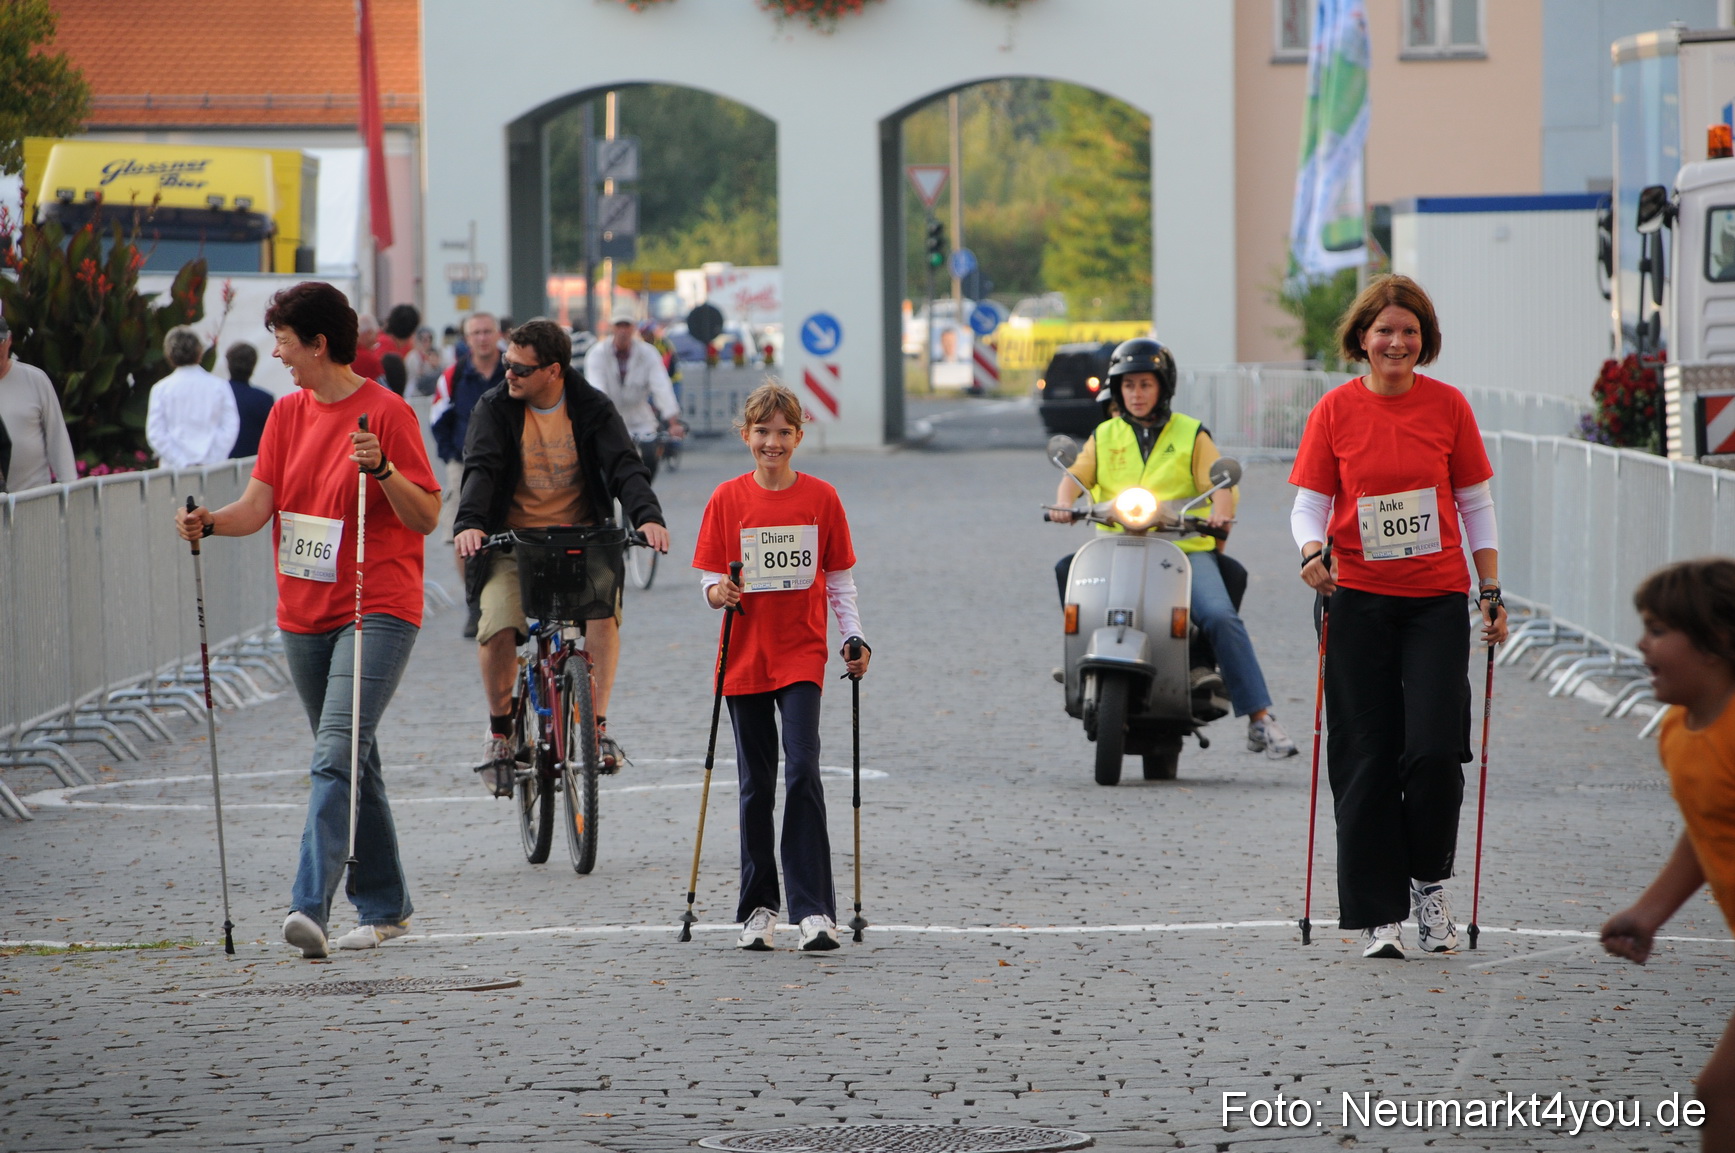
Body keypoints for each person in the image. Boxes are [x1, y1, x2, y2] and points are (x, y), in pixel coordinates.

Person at [174, 281, 440, 959]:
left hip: (373, 604)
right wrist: (210, 522)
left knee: (333, 753)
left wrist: (381, 470)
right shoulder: (287, 415)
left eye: (286, 342)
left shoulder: (385, 413)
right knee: (356, 755)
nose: (278, 353)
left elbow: (426, 515)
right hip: (303, 612)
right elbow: (258, 504)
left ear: (319, 343)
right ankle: (387, 904)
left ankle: (309, 903)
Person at [1290, 274, 1508, 961]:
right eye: (1383, 329)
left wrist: (1490, 588)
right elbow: (1307, 502)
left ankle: (1428, 887)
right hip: (1355, 597)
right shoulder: (1333, 410)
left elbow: (1474, 503)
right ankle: (1376, 914)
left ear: (1424, 341)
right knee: (1363, 754)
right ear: (1361, 338)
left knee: (1435, 748)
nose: (1396, 341)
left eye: (1409, 330)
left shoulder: (1447, 407)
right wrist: (1308, 550)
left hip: (1436, 600)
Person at [1051, 337, 1296, 760]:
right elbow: (1076, 476)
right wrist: (1062, 504)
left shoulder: (1191, 433)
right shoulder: (1105, 434)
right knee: (1066, 570)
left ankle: (1260, 719)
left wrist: (1220, 514)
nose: (1136, 394)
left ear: (1163, 386)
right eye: (1128, 386)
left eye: (1145, 384)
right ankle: (1082, 659)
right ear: (1117, 391)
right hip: (1117, 542)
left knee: (1220, 615)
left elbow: (1220, 484)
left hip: (1182, 548)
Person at [453, 318, 669, 792]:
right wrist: (470, 524)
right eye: (507, 365)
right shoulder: (494, 409)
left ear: (553, 371)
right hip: (514, 542)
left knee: (603, 614)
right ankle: (499, 733)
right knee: (498, 624)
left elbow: (624, 466)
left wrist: (647, 515)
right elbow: (481, 469)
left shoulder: (591, 407)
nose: (508, 374)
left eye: (520, 369)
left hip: (582, 538)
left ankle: (598, 728)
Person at [694, 382, 871, 953]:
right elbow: (708, 580)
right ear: (745, 435)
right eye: (763, 432)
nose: (773, 442)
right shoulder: (726, 498)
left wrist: (854, 636)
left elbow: (838, 578)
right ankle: (758, 908)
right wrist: (718, 592)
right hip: (744, 656)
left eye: (784, 432)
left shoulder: (821, 498)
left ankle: (815, 909)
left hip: (800, 653)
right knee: (755, 786)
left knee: (803, 772)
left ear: (799, 435)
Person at [1602, 559, 1735, 1151]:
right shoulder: (1677, 732)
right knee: (1721, 1095)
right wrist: (1649, 912)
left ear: (1716, 641)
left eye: (1658, 629)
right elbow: (1705, 828)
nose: (1641, 642)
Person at [431, 313, 506, 637]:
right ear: (467, 337)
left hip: (508, 463)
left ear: (498, 334)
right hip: (463, 464)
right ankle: (473, 603)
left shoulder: (513, 369)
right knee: (462, 535)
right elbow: (438, 418)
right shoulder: (454, 375)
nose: (482, 338)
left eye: (488, 331)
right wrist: (450, 454)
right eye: (475, 332)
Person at [584, 317, 684, 481]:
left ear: (633, 328)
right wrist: (599, 419)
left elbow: (661, 386)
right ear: (612, 327)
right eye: (619, 325)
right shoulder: (597, 353)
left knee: (650, 458)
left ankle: (640, 495)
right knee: (602, 466)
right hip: (608, 418)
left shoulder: (648, 353)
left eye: (627, 326)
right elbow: (597, 389)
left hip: (640, 418)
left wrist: (672, 421)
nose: (623, 331)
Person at [0, 315, 77, 490]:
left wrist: (69, 488)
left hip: (33, 499)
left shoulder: (35, 380)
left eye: (1, 341)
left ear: (9, 340)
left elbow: (57, 437)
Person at [146, 326, 240, 468]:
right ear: (199, 352)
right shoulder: (219, 386)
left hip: (173, 470)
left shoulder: (160, 389)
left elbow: (156, 433)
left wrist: (181, 461)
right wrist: (212, 458)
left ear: (169, 354)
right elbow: (230, 426)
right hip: (213, 468)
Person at [224, 341, 276, 458]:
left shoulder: (217, 394)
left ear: (228, 364)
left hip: (218, 468)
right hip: (252, 467)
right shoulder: (264, 399)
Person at [351, 312, 384, 382]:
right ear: (369, 333)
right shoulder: (371, 360)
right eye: (375, 334)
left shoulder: (345, 355)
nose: (376, 340)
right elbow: (383, 388)